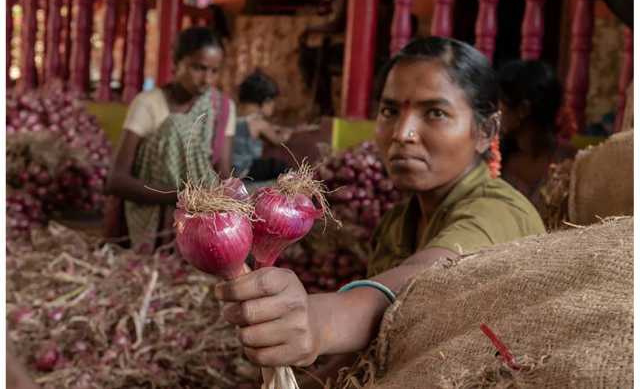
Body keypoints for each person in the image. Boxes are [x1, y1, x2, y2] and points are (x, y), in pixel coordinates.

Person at [213, 38, 546, 379]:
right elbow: (375, 345)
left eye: (436, 113)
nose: (403, 133)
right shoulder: (398, 222)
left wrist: (319, 322)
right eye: (389, 112)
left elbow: (427, 279)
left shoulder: (500, 211)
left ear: (485, 131)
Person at [105, 27, 236, 248]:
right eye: (199, 68)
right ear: (176, 63)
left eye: (214, 71)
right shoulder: (148, 104)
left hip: (200, 223)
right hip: (152, 217)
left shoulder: (222, 108)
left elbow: (223, 173)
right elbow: (116, 181)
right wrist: (183, 198)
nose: (207, 79)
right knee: (176, 125)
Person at [498, 60, 576, 213]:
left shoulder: (570, 163)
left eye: (501, 104)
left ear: (523, 109)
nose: (497, 113)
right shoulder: (494, 160)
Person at [232, 69, 291, 182]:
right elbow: (277, 140)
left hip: (230, 170)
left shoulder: (234, 117)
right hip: (246, 171)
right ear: (266, 101)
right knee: (277, 165)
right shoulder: (259, 123)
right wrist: (286, 134)